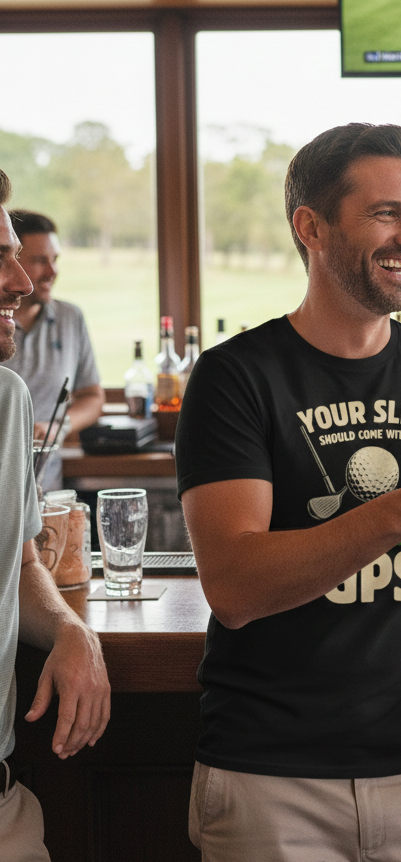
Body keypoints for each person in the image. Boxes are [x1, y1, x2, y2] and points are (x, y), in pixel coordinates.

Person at [175, 123, 401, 862]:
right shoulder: (234, 377)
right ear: (310, 227)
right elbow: (236, 585)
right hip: (267, 778)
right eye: (386, 213)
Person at [0, 170, 110, 861]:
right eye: (0, 259)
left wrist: (70, 629)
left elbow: (20, 562)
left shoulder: (7, 401)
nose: (21, 281)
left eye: (20, 256)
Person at [4, 211, 104, 492]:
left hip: (48, 491)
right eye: (40, 260)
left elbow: (93, 396)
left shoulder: (71, 318)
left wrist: (58, 427)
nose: (52, 271)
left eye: (55, 259)